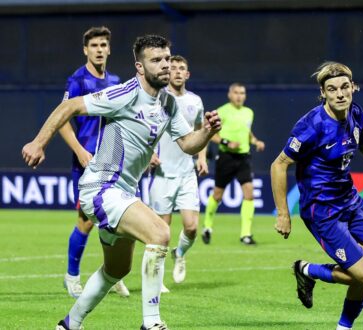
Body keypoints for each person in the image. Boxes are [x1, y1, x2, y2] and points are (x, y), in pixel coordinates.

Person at [22, 34, 221, 330]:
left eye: (167, 58)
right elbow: (70, 107)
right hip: (101, 188)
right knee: (160, 233)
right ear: (140, 67)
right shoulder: (125, 94)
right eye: (157, 60)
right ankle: (151, 323)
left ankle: (69, 324)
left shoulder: (167, 102)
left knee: (117, 269)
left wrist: (205, 132)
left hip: (123, 192)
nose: (165, 65)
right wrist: (39, 143)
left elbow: (187, 143)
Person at [271, 62, 363, 329]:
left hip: (350, 200)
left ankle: (343, 327)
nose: (339, 94)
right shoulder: (311, 126)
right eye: (332, 89)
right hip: (322, 210)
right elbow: (279, 164)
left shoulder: (357, 115)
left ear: (353, 88)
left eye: (344, 87)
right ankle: (306, 270)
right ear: (323, 94)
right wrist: (283, 213)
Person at [58, 26, 130, 299]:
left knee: (118, 219)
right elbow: (62, 118)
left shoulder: (115, 80)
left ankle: (112, 274)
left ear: (109, 49)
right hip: (87, 161)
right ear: (85, 50)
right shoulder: (78, 80)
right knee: (86, 220)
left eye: (103, 45)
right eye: (94, 46)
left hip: (113, 160)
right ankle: (72, 276)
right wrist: (78, 150)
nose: (99, 50)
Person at [148, 55, 207, 291]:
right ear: (167, 73)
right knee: (162, 231)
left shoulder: (195, 101)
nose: (178, 72)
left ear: (187, 74)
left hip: (187, 173)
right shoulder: (159, 99)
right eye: (173, 69)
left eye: (182, 68)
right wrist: (149, 152)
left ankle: (180, 253)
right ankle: (157, 279)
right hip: (162, 173)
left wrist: (201, 157)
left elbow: (200, 129)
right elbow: (147, 129)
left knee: (191, 227)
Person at [201, 83, 265, 245]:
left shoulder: (248, 113)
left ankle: (246, 235)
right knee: (217, 195)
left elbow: (247, 132)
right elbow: (209, 133)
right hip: (226, 157)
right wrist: (225, 141)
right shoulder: (221, 111)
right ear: (230, 95)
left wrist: (256, 141)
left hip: (243, 158)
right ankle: (207, 227)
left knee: (249, 194)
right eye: (236, 93)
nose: (239, 96)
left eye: (242, 93)